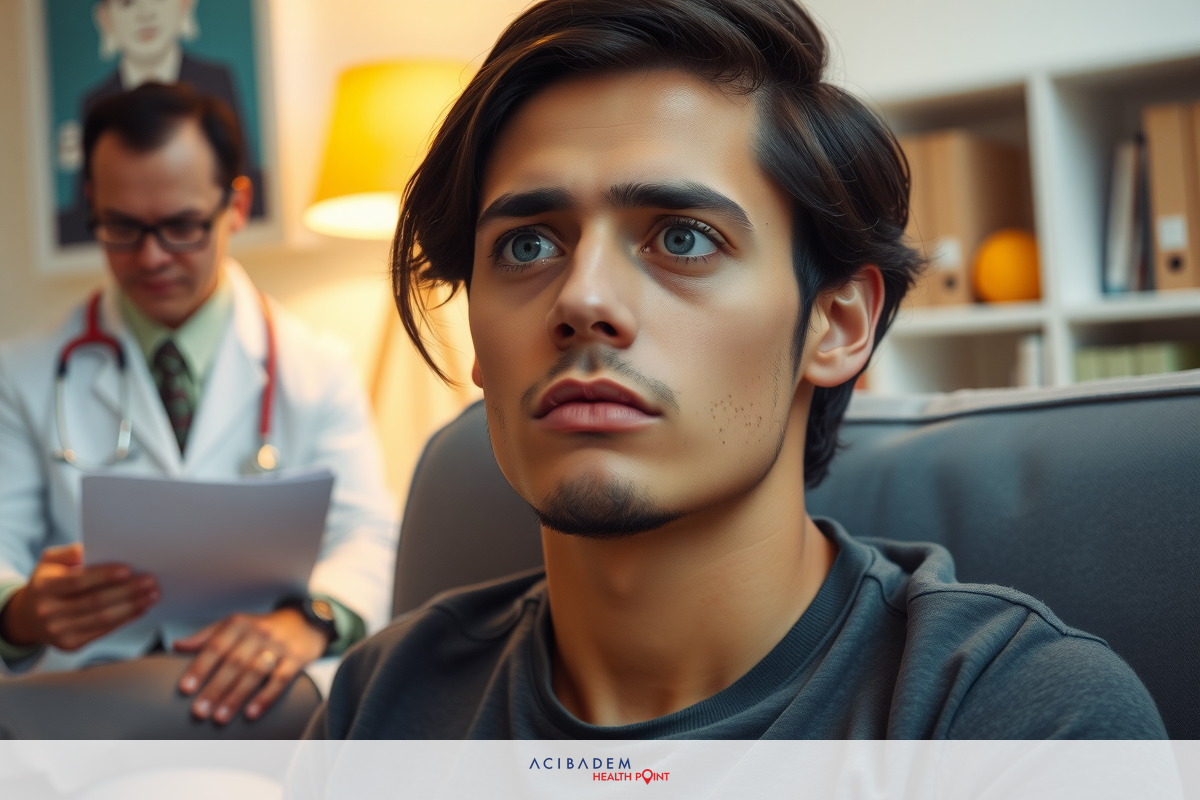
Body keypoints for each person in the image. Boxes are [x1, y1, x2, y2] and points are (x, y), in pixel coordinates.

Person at [306, 0, 1167, 740]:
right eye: (527, 246)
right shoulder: (381, 703)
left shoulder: (1015, 718)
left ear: (838, 324)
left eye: (682, 238)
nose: (582, 299)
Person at [0, 82, 397, 727]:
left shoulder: (317, 366)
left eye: (181, 227)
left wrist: (311, 619)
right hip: (88, 699)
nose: (151, 257)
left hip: (263, 698)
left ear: (235, 206)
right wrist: (21, 612)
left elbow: (367, 534)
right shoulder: (21, 374)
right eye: (121, 227)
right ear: (92, 204)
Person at [58, 0, 264, 244]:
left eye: (183, 225)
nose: (145, 15)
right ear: (105, 18)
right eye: (123, 227)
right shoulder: (93, 102)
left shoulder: (217, 82)